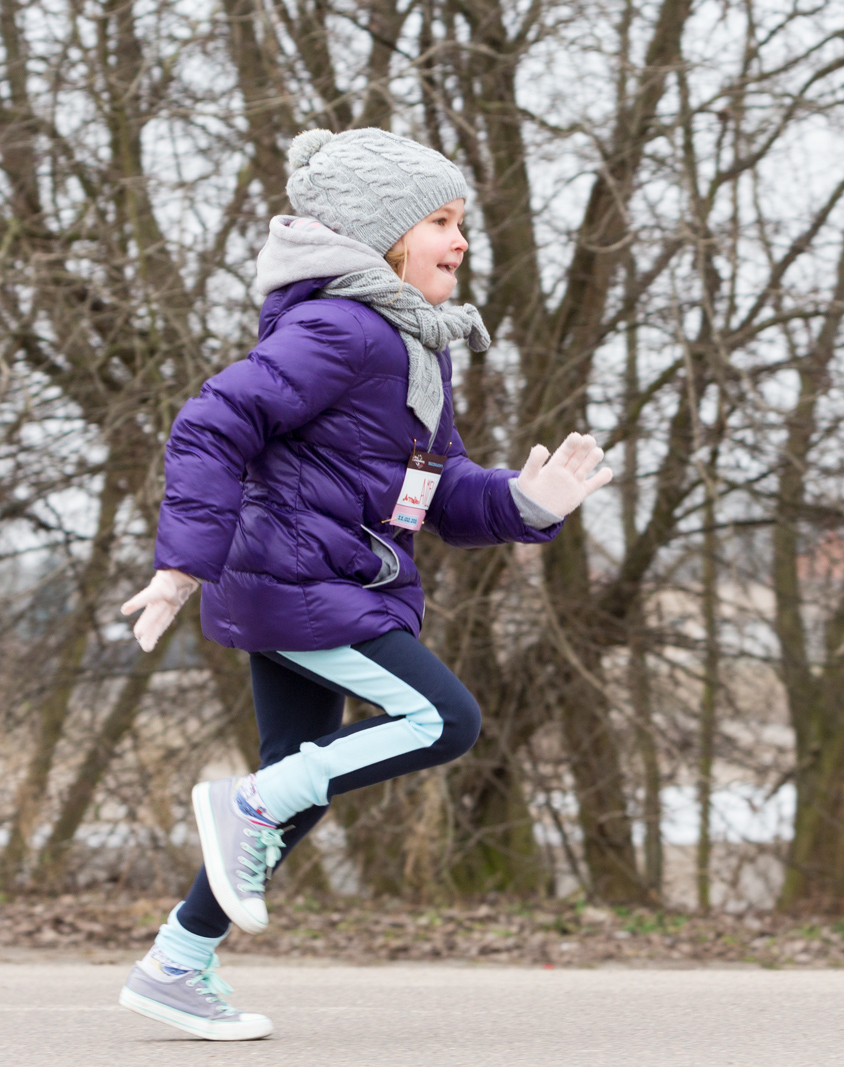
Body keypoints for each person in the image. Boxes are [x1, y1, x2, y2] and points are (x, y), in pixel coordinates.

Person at [115, 128, 612, 1040]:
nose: (461, 241)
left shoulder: (410, 343)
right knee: (443, 719)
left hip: (314, 582)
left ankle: (176, 963)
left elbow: (438, 490)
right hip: (304, 582)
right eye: (441, 222)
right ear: (384, 237)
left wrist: (526, 502)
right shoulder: (344, 329)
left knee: (296, 785)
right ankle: (241, 806)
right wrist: (182, 564)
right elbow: (213, 421)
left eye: (461, 223)